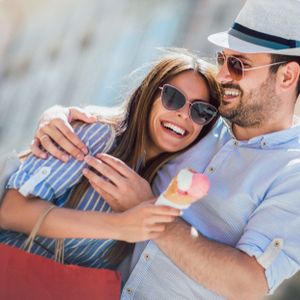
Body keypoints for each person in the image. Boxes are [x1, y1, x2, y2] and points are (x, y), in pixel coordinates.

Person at [5, 0, 300, 298]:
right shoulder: (201, 124)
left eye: (239, 65)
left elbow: (248, 285)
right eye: (223, 59)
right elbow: (126, 122)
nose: (223, 75)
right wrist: (58, 115)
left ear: (287, 76)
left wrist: (151, 217)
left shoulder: (293, 174)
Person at [0, 51, 221, 269]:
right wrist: (120, 226)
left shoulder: (161, 181)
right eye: (173, 98)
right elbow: (12, 210)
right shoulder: (101, 136)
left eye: (201, 111)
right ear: (149, 95)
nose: (183, 114)